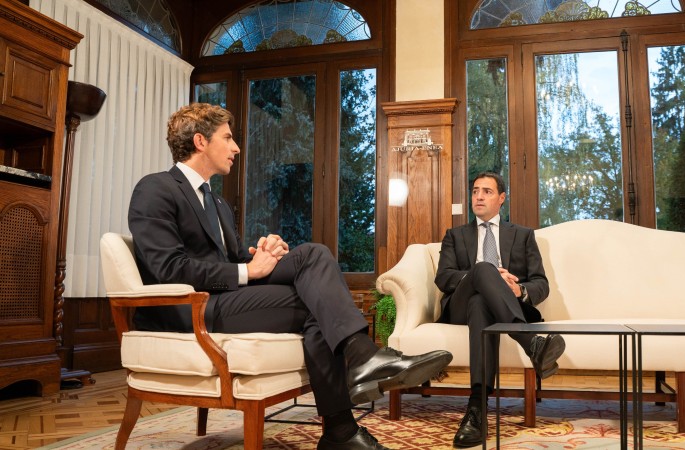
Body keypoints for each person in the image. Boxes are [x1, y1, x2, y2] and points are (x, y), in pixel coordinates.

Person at [128, 103, 452, 450]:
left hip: (225, 296)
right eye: (228, 138)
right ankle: (344, 419)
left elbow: (234, 258)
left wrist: (263, 254)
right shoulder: (156, 188)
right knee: (318, 305)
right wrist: (247, 270)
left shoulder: (217, 203)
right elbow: (168, 268)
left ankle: (354, 385)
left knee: (313, 254)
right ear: (200, 141)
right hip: (193, 308)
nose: (236, 147)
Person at [434, 171, 566, 448]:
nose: (479, 196)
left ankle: (476, 409)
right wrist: (482, 276)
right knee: (484, 270)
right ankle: (530, 343)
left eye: (487, 191)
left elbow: (541, 283)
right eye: (475, 191)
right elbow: (443, 277)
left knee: (480, 303)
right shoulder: (455, 235)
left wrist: (518, 290)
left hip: (494, 307)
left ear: (502, 198)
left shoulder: (523, 235)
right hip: (458, 308)